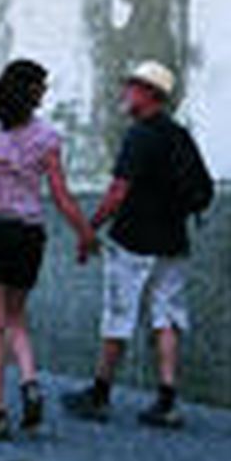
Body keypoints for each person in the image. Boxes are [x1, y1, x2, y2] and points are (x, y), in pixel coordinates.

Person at [63, 59, 214, 429]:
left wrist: (89, 227)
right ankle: (166, 400)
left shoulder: (140, 135)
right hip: (173, 243)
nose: (124, 93)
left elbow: (117, 192)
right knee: (166, 317)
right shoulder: (179, 135)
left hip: (133, 241)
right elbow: (203, 188)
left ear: (148, 94)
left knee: (118, 314)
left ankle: (99, 394)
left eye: (131, 87)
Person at [0, 58, 95, 440]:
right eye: (42, 88)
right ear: (32, 93)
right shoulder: (48, 137)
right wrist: (84, 232)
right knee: (16, 318)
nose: (45, 94)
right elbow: (60, 194)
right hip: (28, 234)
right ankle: (29, 382)